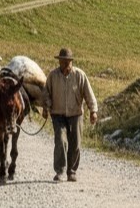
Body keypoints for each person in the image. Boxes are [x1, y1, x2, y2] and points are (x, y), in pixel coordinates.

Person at [42, 47, 98, 183]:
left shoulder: (79, 75)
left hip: (75, 114)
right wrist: (46, 107)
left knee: (75, 143)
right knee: (60, 140)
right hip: (58, 114)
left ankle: (71, 171)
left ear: (71, 62)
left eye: (68, 61)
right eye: (63, 61)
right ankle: (60, 171)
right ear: (59, 61)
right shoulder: (53, 76)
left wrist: (93, 110)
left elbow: (88, 94)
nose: (66, 64)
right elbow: (46, 93)